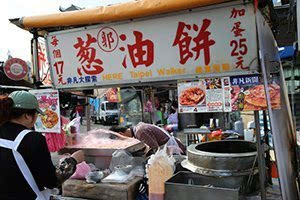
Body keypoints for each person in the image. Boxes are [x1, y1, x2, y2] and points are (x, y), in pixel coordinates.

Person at [0, 91, 84, 200]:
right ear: (27, 116)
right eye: (36, 114)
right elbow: (51, 181)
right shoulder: (33, 139)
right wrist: (73, 160)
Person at [110, 122, 186, 154]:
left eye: (120, 140)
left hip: (175, 150)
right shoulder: (138, 129)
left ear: (121, 134)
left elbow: (155, 150)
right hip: (171, 149)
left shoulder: (140, 131)